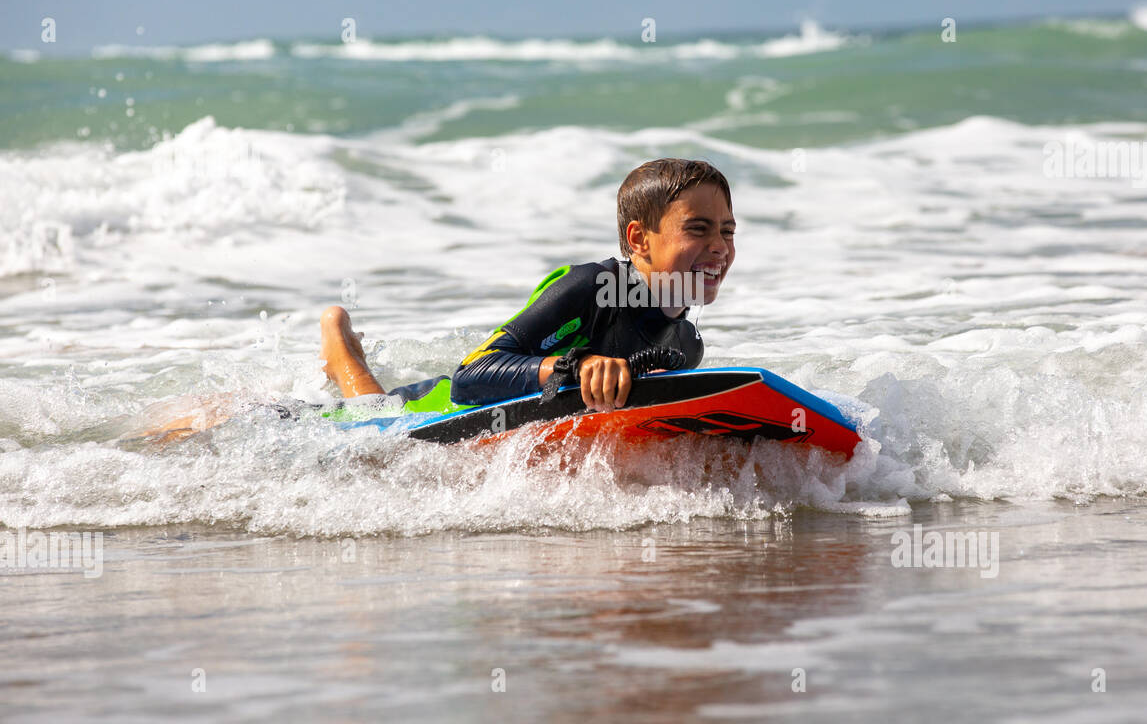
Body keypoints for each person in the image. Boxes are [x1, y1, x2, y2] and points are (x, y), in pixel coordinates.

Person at [141, 158, 735, 441]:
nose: (719, 247)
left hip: (496, 418)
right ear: (639, 239)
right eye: (699, 229)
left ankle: (342, 355)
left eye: (728, 231)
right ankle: (336, 356)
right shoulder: (588, 289)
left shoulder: (685, 342)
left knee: (364, 401)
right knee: (339, 419)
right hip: (435, 412)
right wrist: (574, 367)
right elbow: (474, 375)